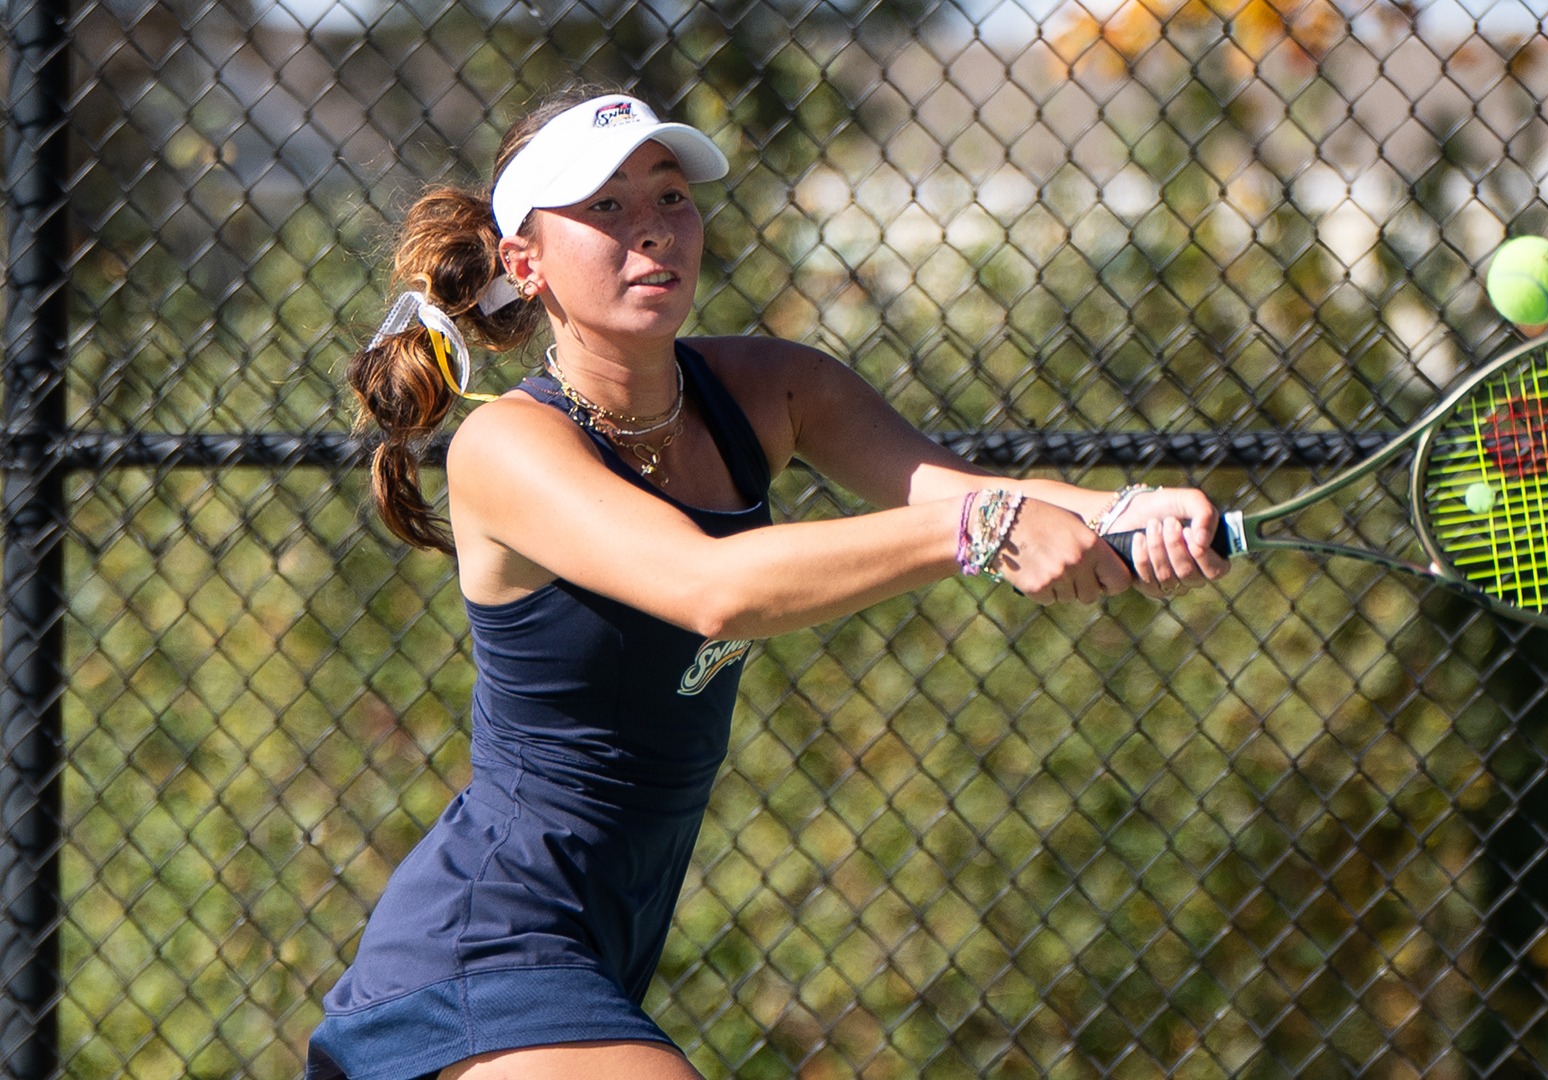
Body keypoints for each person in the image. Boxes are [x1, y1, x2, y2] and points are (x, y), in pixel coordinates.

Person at [306, 84, 1228, 1080]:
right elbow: (715, 587)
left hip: (596, 957)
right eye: (605, 208)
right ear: (525, 263)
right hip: (477, 955)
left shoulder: (770, 389)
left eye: (670, 197)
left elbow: (967, 489)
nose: (653, 231)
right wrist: (980, 532)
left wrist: (1123, 512)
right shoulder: (506, 447)